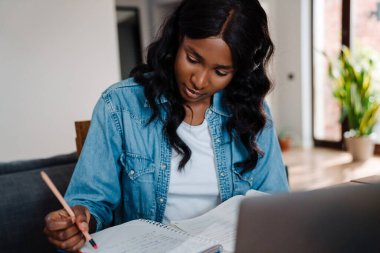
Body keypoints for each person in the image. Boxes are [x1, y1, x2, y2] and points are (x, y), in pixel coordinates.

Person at [44, 0, 289, 251]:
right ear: (178, 39)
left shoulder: (252, 113)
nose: (199, 80)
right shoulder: (119, 105)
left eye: (220, 71)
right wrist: (80, 219)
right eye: (193, 58)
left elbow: (273, 204)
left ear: (239, 71)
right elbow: (90, 202)